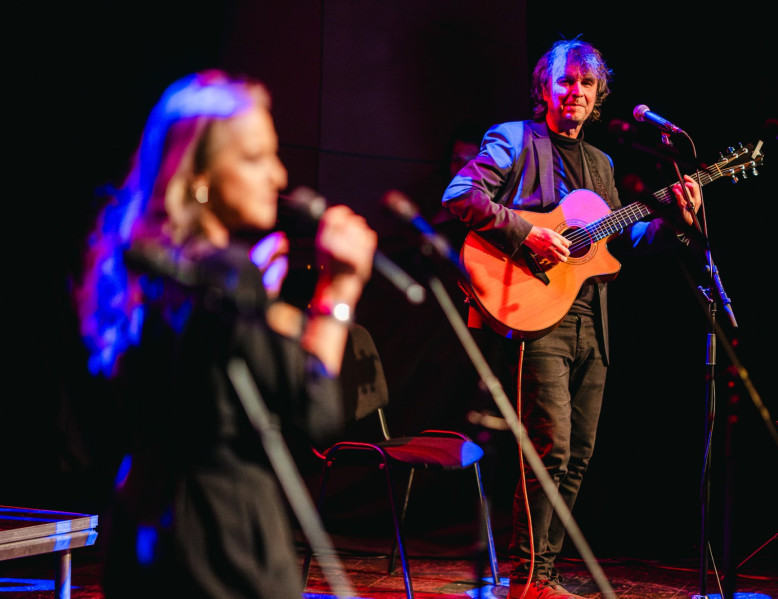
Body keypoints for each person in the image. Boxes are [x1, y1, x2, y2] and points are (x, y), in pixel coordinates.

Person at [74, 69, 377, 598]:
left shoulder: (152, 266)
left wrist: (255, 305)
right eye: (255, 158)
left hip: (143, 522)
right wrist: (339, 290)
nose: (279, 176)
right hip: (221, 532)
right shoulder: (225, 275)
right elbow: (317, 412)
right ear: (199, 174)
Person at [441, 38, 702, 599]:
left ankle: (546, 573)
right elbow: (461, 194)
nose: (576, 91)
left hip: (592, 322)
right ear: (544, 88)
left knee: (577, 456)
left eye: (587, 83)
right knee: (550, 449)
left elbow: (619, 241)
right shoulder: (514, 139)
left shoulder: (601, 164)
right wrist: (527, 233)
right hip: (536, 317)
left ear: (598, 93)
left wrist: (678, 221)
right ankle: (528, 578)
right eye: (565, 80)